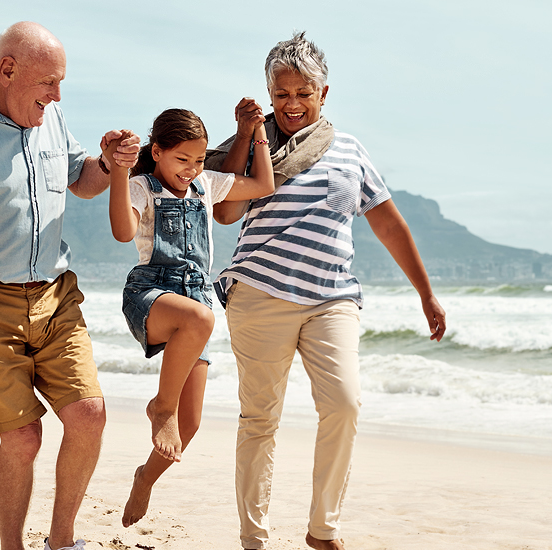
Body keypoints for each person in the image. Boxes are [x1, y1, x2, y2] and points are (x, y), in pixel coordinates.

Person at [206, 32, 447, 550]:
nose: (292, 105)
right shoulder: (255, 144)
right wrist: (247, 135)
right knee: (260, 418)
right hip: (260, 293)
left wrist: (425, 294)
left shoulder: (351, 150)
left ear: (323, 93)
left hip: (332, 298)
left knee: (344, 404)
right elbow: (223, 211)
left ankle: (323, 530)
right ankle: (253, 536)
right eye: (281, 94)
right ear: (269, 94)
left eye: (303, 93)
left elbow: (389, 225)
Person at [0, 21, 140, 550]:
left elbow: (83, 180)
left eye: (61, 84)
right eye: (50, 82)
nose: (58, 96)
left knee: (89, 415)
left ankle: (62, 542)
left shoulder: (51, 117)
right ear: (7, 69)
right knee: (22, 437)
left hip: (57, 296)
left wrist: (108, 162)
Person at [100, 107, 276, 527]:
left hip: (195, 299)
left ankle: (144, 478)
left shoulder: (205, 185)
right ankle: (161, 409)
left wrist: (255, 134)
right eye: (182, 160)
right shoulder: (142, 187)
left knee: (192, 422)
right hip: (151, 293)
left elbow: (264, 184)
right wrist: (121, 173)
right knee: (199, 319)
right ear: (156, 152)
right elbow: (124, 232)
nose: (192, 169)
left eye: (198, 160)